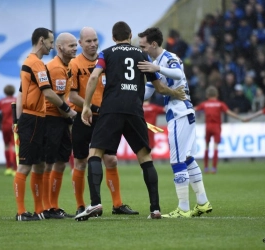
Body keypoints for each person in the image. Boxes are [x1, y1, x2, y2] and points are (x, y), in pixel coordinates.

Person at [77, 21, 185, 221]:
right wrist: (174, 92)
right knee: (145, 158)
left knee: (95, 153)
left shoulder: (106, 53)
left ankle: (95, 203)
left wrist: (86, 106)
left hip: (111, 109)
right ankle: (155, 209)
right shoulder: (141, 55)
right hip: (135, 110)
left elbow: (93, 78)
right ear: (130, 35)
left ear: (113, 37)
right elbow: (159, 88)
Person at [137, 27, 212, 218]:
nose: (142, 49)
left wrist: (157, 69)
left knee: (177, 161)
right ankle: (202, 202)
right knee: (187, 159)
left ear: (153, 44)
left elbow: (179, 74)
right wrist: (129, 98)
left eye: (144, 45)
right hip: (182, 113)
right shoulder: (155, 62)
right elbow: (148, 91)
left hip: (179, 113)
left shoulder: (168, 58)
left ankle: (184, 209)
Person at [69, 27, 139, 216]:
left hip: (106, 119)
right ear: (80, 43)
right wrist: (92, 108)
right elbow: (72, 95)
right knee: (81, 162)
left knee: (111, 159)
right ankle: (81, 205)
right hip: (83, 118)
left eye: (94, 40)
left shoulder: (106, 59)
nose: (92, 44)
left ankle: (117, 204)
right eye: (88, 41)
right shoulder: (75, 64)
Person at [14, 27, 76, 221]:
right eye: (50, 42)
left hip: (38, 118)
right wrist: (68, 110)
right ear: (42, 41)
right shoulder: (35, 63)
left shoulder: (37, 63)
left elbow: (21, 92)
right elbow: (48, 93)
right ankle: (21, 212)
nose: (51, 45)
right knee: (25, 166)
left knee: (40, 165)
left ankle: (40, 210)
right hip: (32, 118)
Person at [41, 32, 78, 219]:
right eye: (71, 45)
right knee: (49, 163)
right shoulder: (55, 68)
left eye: (75, 45)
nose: (75, 47)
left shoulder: (68, 65)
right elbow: (56, 100)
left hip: (61, 119)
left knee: (61, 162)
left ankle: (54, 206)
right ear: (60, 47)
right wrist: (72, 117)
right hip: (51, 119)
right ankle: (46, 207)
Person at [194, 86, 245, 173]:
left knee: (206, 146)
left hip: (208, 127)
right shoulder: (220, 104)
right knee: (215, 147)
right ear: (217, 95)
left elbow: (194, 109)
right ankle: (214, 168)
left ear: (207, 95)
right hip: (217, 127)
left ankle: (206, 168)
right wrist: (240, 118)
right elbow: (229, 112)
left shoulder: (205, 104)